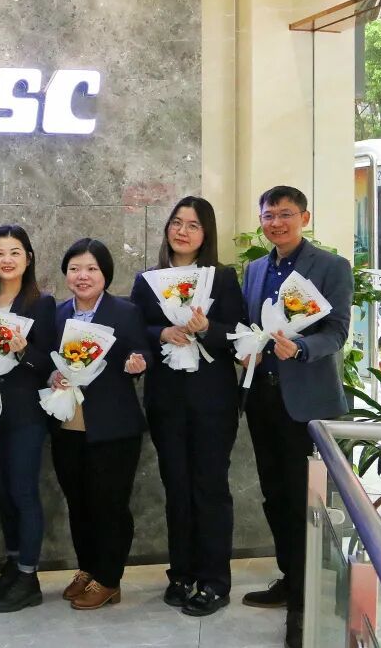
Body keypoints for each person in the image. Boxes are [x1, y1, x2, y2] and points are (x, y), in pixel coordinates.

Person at [238, 186, 351, 648]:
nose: (276, 223)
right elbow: (251, 326)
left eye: (286, 214)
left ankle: (304, 606)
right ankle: (289, 578)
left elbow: (337, 331)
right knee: (274, 496)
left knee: (304, 504)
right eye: (269, 215)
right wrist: (244, 348)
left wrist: (301, 348)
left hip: (306, 404)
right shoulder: (254, 269)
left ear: (304, 217)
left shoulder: (330, 266)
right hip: (262, 400)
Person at [129, 198, 245, 616]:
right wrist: (162, 333)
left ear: (205, 233)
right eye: (176, 223)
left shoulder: (223, 278)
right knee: (176, 488)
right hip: (167, 401)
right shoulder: (148, 280)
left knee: (210, 488)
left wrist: (207, 328)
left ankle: (215, 580)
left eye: (193, 225)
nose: (182, 231)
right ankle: (181, 573)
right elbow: (134, 329)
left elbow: (239, 333)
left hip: (213, 401)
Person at [50, 238, 150, 610]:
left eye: (91, 268)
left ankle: (109, 578)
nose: (83, 276)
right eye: (75, 268)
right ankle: (88, 569)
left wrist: (137, 362)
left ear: (105, 274)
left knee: (110, 505)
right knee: (78, 502)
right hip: (67, 425)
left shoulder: (125, 312)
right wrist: (51, 377)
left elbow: (142, 350)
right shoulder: (58, 313)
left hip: (113, 426)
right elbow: (47, 360)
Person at [0, 225, 56, 613]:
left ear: (28, 258)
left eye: (14, 252)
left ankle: (28, 576)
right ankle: (12, 562)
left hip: (26, 412)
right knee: (3, 491)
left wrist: (24, 352)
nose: (6, 260)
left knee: (23, 491)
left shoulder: (41, 303)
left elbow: (50, 362)